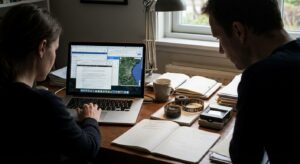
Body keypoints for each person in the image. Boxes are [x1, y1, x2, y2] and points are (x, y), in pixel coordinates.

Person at [0, 4, 102, 163]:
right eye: (55, 49)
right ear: (42, 47)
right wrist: (91, 119)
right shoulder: (44, 102)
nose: (54, 55)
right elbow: (88, 149)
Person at [202, 0, 300, 163]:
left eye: (219, 37)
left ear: (238, 31)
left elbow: (244, 158)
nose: (221, 50)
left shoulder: (260, 77)